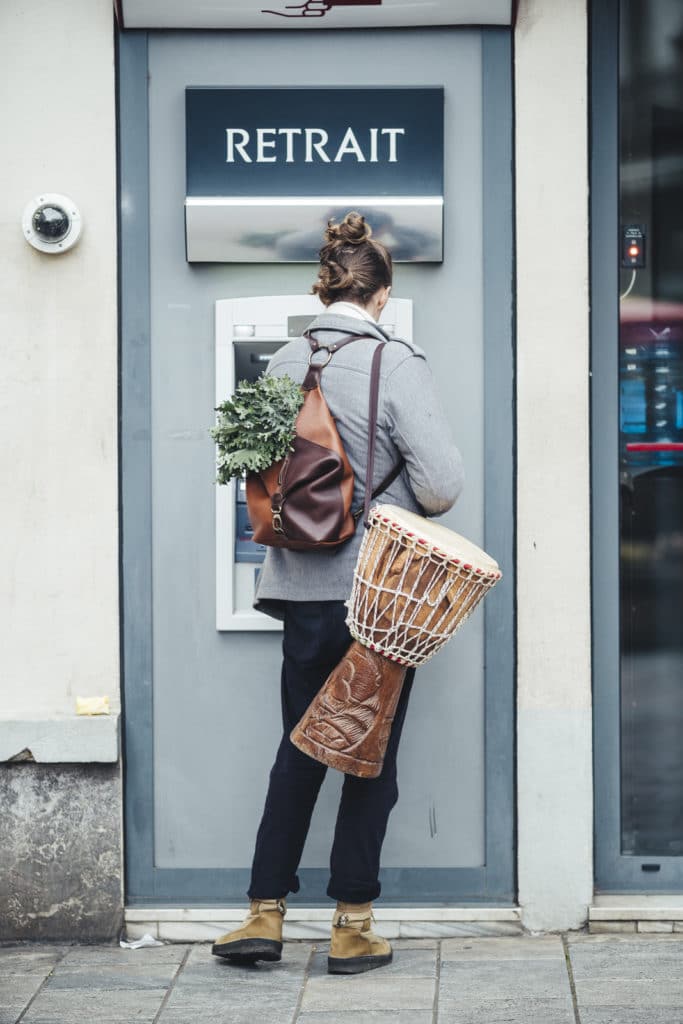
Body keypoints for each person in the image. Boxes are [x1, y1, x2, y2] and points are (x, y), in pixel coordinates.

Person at [211, 211, 463, 974]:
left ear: (324, 286)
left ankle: (263, 913)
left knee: (300, 747)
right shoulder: (396, 362)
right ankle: (352, 924)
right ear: (380, 296)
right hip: (377, 592)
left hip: (298, 586)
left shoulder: (283, 363)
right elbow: (442, 486)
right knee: (366, 751)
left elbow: (252, 467)